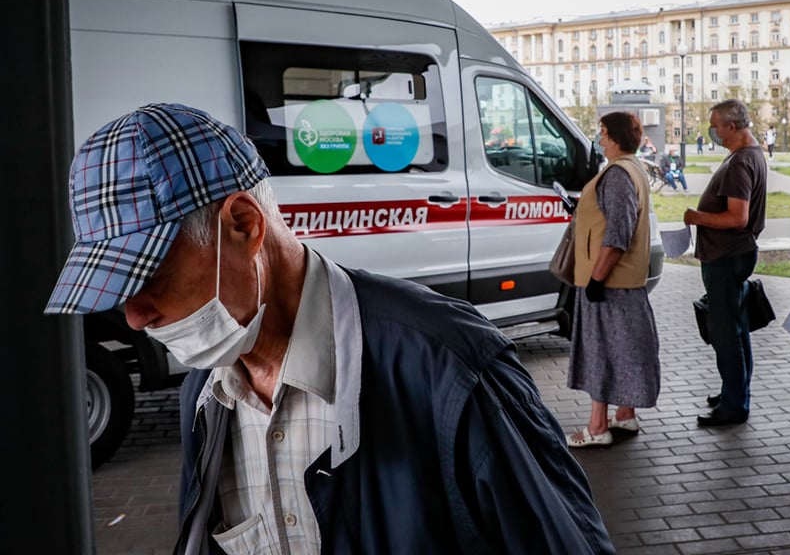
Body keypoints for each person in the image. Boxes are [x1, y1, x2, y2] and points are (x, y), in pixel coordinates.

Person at [44, 103, 616, 554]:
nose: (135, 317)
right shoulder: (208, 393)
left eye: (152, 278)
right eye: (119, 291)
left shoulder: (449, 370)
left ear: (244, 225)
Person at [566, 112, 660, 447]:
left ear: (617, 137)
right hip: (626, 281)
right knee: (624, 349)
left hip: (608, 282)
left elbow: (618, 233)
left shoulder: (618, 175)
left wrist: (596, 278)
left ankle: (596, 428)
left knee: (600, 352)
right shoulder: (634, 168)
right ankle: (625, 414)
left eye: (604, 133)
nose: (600, 139)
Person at [684, 100, 768, 426]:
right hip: (733, 254)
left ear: (731, 127)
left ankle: (734, 405)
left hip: (726, 256)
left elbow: (737, 217)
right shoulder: (750, 155)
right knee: (736, 326)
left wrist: (696, 217)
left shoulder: (740, 163)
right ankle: (735, 391)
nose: (713, 131)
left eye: (716, 125)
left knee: (725, 332)